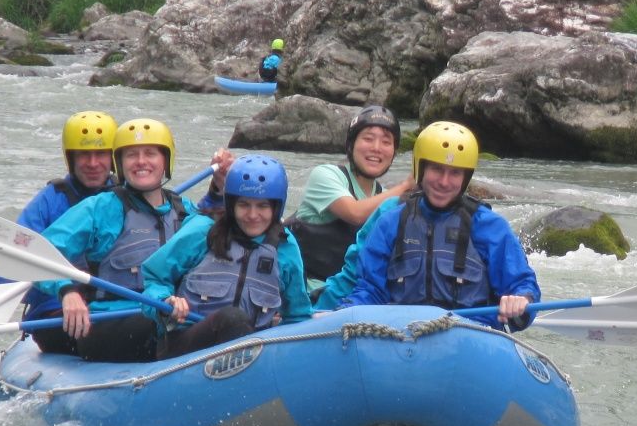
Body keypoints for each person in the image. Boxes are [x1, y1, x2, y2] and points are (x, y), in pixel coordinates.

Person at [31, 118, 235, 361]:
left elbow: (228, 238)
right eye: (131, 155)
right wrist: (67, 291)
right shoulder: (101, 208)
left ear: (166, 161)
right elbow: (37, 253)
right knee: (150, 323)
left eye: (150, 153)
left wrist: (221, 187)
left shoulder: (184, 211)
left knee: (231, 319)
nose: (140, 161)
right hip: (110, 323)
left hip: (170, 319)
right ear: (119, 163)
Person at [335, 121, 540, 329]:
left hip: (471, 335)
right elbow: (370, 291)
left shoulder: (490, 227)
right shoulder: (391, 223)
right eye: (436, 169)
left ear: (466, 177)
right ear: (420, 169)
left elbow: (522, 285)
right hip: (403, 336)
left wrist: (521, 301)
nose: (444, 182)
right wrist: (343, 313)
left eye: (455, 173)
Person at [140, 155, 311, 357]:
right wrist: (165, 302)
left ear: (276, 208)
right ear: (231, 204)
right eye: (244, 204)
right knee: (232, 318)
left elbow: (298, 316)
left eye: (262, 206)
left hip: (253, 353)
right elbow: (155, 278)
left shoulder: (285, 246)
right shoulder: (203, 230)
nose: (252, 215)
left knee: (238, 323)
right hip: (186, 346)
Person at [13, 111, 118, 349]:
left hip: (113, 307)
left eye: (101, 154)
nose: (93, 163)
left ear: (113, 157)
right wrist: (64, 291)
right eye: (84, 155)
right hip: (55, 312)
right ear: (70, 158)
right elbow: (16, 262)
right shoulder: (48, 202)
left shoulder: (128, 197)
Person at [287, 105, 412, 300]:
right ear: (351, 145)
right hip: (310, 295)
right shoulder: (326, 175)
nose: (376, 148)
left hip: (357, 296)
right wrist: (406, 186)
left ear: (394, 152)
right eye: (368, 138)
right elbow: (355, 213)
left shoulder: (386, 196)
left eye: (386, 142)